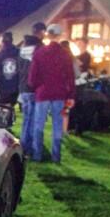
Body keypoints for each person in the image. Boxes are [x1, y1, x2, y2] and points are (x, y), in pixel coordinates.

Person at [28, 24, 76, 163]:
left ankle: (37, 154)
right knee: (57, 125)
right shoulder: (65, 54)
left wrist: (37, 87)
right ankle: (56, 155)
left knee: (39, 124)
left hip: (42, 93)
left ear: (47, 35)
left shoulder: (39, 52)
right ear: (60, 35)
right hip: (59, 94)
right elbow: (70, 77)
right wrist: (71, 95)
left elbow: (32, 77)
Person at [16, 21, 46, 158]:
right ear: (41, 32)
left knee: (26, 119)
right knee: (34, 120)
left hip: (23, 87)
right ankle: (32, 149)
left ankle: (23, 146)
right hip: (35, 87)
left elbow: (19, 66)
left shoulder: (23, 46)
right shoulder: (40, 48)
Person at [0, 32, 19, 105]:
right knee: (15, 107)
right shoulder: (18, 52)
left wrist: (1, 83)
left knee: (3, 108)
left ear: (2, 41)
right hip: (16, 87)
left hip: (3, 87)